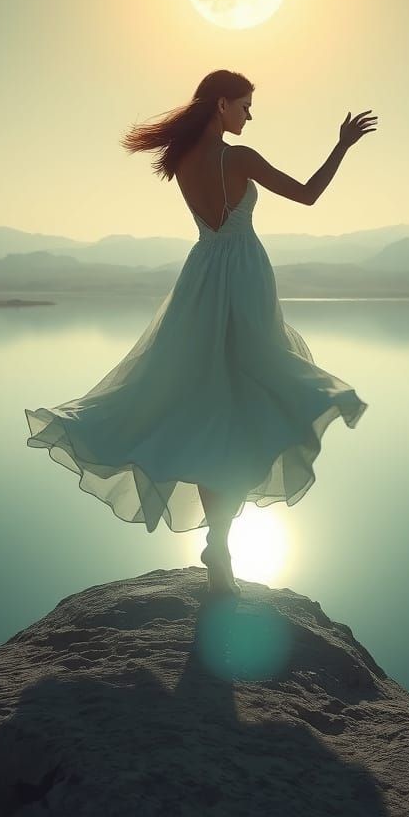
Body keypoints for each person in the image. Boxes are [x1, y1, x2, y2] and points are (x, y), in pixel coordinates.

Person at [25, 70, 375, 596]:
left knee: (208, 404)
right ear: (221, 105)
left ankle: (220, 545)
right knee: (249, 396)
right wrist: (342, 145)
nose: (249, 115)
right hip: (244, 281)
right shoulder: (239, 158)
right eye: (246, 105)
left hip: (201, 279)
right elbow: (307, 195)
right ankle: (220, 540)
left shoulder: (183, 161)